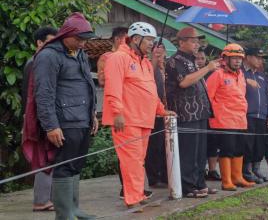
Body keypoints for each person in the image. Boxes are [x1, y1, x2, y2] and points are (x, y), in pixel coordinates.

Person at [102, 22, 176, 211]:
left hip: (144, 118)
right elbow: (113, 88)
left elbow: (151, 91)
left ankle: (137, 194)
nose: (152, 44)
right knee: (131, 161)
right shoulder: (118, 58)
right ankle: (132, 198)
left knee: (138, 160)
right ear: (136, 39)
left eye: (153, 40)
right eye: (149, 40)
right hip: (126, 119)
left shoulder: (144, 62)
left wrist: (161, 110)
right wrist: (117, 113)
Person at [34, 12, 98, 220]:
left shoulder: (80, 54)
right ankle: (64, 214)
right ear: (65, 34)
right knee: (64, 166)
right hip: (63, 121)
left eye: (84, 40)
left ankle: (74, 208)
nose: (82, 44)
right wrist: (51, 126)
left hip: (82, 119)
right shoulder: (48, 56)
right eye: (78, 39)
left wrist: (93, 115)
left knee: (77, 164)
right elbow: (44, 94)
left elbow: (89, 85)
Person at [166, 27, 221, 198]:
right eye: (193, 40)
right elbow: (184, 82)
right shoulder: (175, 60)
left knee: (200, 152)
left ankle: (199, 183)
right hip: (185, 113)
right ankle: (188, 187)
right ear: (181, 42)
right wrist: (207, 68)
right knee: (188, 152)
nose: (197, 44)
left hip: (200, 112)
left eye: (198, 41)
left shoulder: (192, 60)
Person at [206, 43, 255, 191]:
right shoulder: (217, 74)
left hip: (240, 119)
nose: (237, 61)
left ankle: (237, 177)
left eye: (240, 58)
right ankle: (226, 181)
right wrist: (214, 115)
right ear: (225, 58)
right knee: (227, 150)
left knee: (239, 149)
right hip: (223, 120)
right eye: (234, 58)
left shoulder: (241, 75)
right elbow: (208, 96)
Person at [21, 27, 56, 212]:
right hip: (37, 118)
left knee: (50, 157)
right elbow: (30, 97)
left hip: (44, 117)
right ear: (39, 43)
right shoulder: (33, 63)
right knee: (42, 158)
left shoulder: (44, 61)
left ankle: (48, 198)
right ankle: (41, 200)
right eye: (49, 42)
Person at [243, 48, 268, 184]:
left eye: (262, 58)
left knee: (259, 144)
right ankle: (246, 170)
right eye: (257, 57)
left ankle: (256, 168)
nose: (260, 60)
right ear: (248, 57)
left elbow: (267, 96)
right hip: (247, 115)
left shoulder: (262, 76)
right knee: (248, 144)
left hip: (262, 116)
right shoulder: (241, 74)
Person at [145, 43, 169, 188]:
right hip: (152, 111)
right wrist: (154, 59)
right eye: (156, 53)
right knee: (154, 146)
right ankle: (154, 177)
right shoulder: (148, 65)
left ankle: (165, 175)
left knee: (165, 145)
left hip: (166, 109)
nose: (159, 56)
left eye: (161, 53)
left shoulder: (166, 67)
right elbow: (149, 76)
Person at [195, 49, 221, 182]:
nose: (200, 61)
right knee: (200, 144)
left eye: (202, 58)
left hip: (212, 112)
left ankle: (212, 169)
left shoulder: (212, 73)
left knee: (213, 142)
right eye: (197, 58)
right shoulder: (192, 73)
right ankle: (200, 169)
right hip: (197, 112)